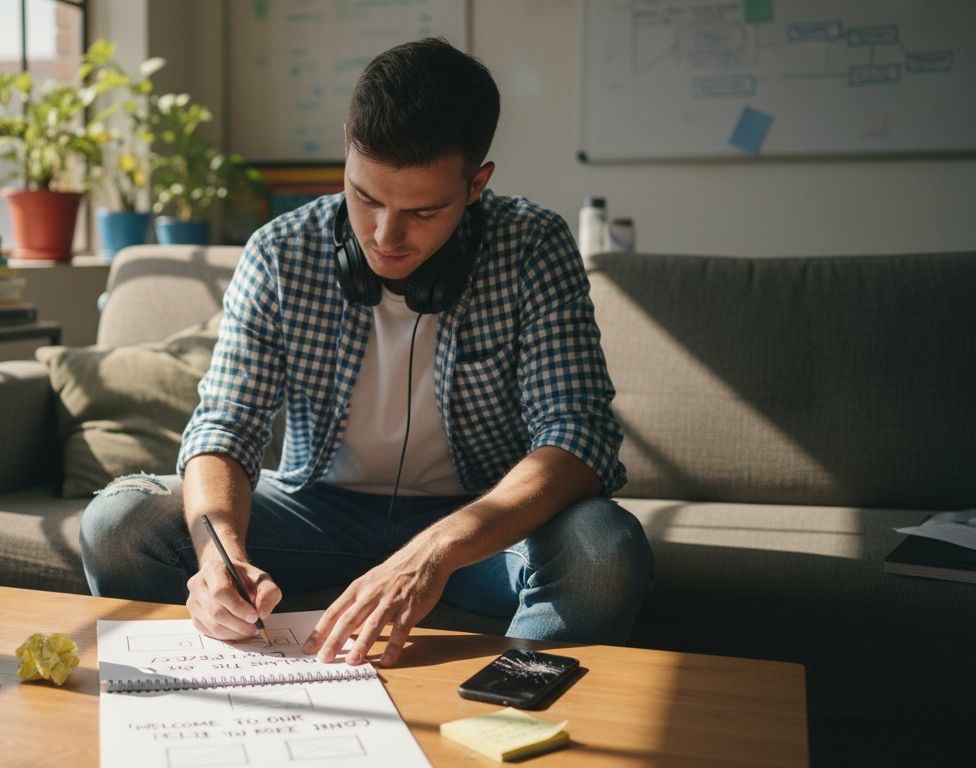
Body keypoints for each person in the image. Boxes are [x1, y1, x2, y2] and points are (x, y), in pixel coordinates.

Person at [79, 38, 652, 667]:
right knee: (118, 523)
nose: (385, 237)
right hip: (313, 511)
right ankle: (228, 685)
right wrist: (219, 555)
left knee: (604, 548)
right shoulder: (280, 252)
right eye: (366, 198)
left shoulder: (534, 247)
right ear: (347, 156)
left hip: (477, 525)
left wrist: (431, 553)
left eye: (423, 211)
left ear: (475, 186)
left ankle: (506, 716)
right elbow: (224, 425)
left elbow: (578, 437)